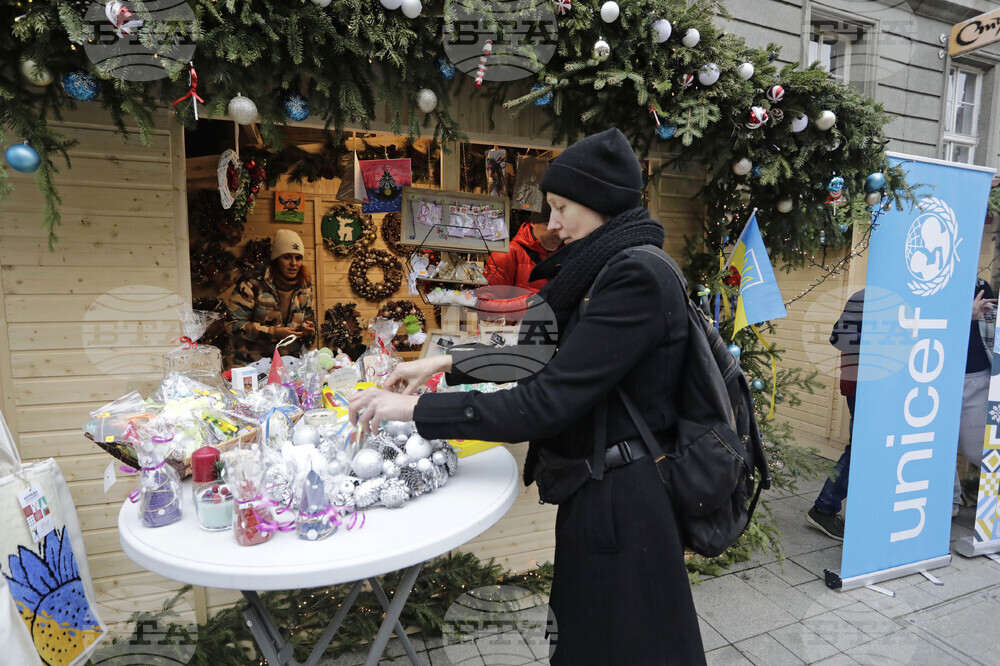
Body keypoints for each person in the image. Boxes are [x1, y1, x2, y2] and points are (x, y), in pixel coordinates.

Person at [349, 128, 705, 664]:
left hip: (626, 503)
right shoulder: (598, 269)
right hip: (597, 486)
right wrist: (442, 362)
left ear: (600, 203)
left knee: (624, 645)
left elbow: (544, 402)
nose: (551, 223)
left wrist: (416, 409)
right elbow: (534, 350)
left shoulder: (635, 277)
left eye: (561, 207)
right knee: (590, 639)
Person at [806, 289, 864, 540]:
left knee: (869, 448)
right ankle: (824, 508)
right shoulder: (867, 296)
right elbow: (839, 337)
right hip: (865, 385)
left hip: (891, 390)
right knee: (861, 448)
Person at [227, 229, 316, 366]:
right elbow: (233, 325)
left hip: (290, 365)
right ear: (276, 259)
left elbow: (309, 322)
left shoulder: (305, 287)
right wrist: (273, 332)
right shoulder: (252, 284)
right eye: (287, 257)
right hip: (251, 365)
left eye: (298, 258)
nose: (294, 263)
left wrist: (309, 331)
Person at [954, 278, 996, 516]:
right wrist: (963, 315)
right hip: (934, 377)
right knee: (933, 445)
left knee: (977, 449)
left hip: (974, 378)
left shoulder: (979, 285)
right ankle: (948, 505)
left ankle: (991, 514)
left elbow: (992, 325)